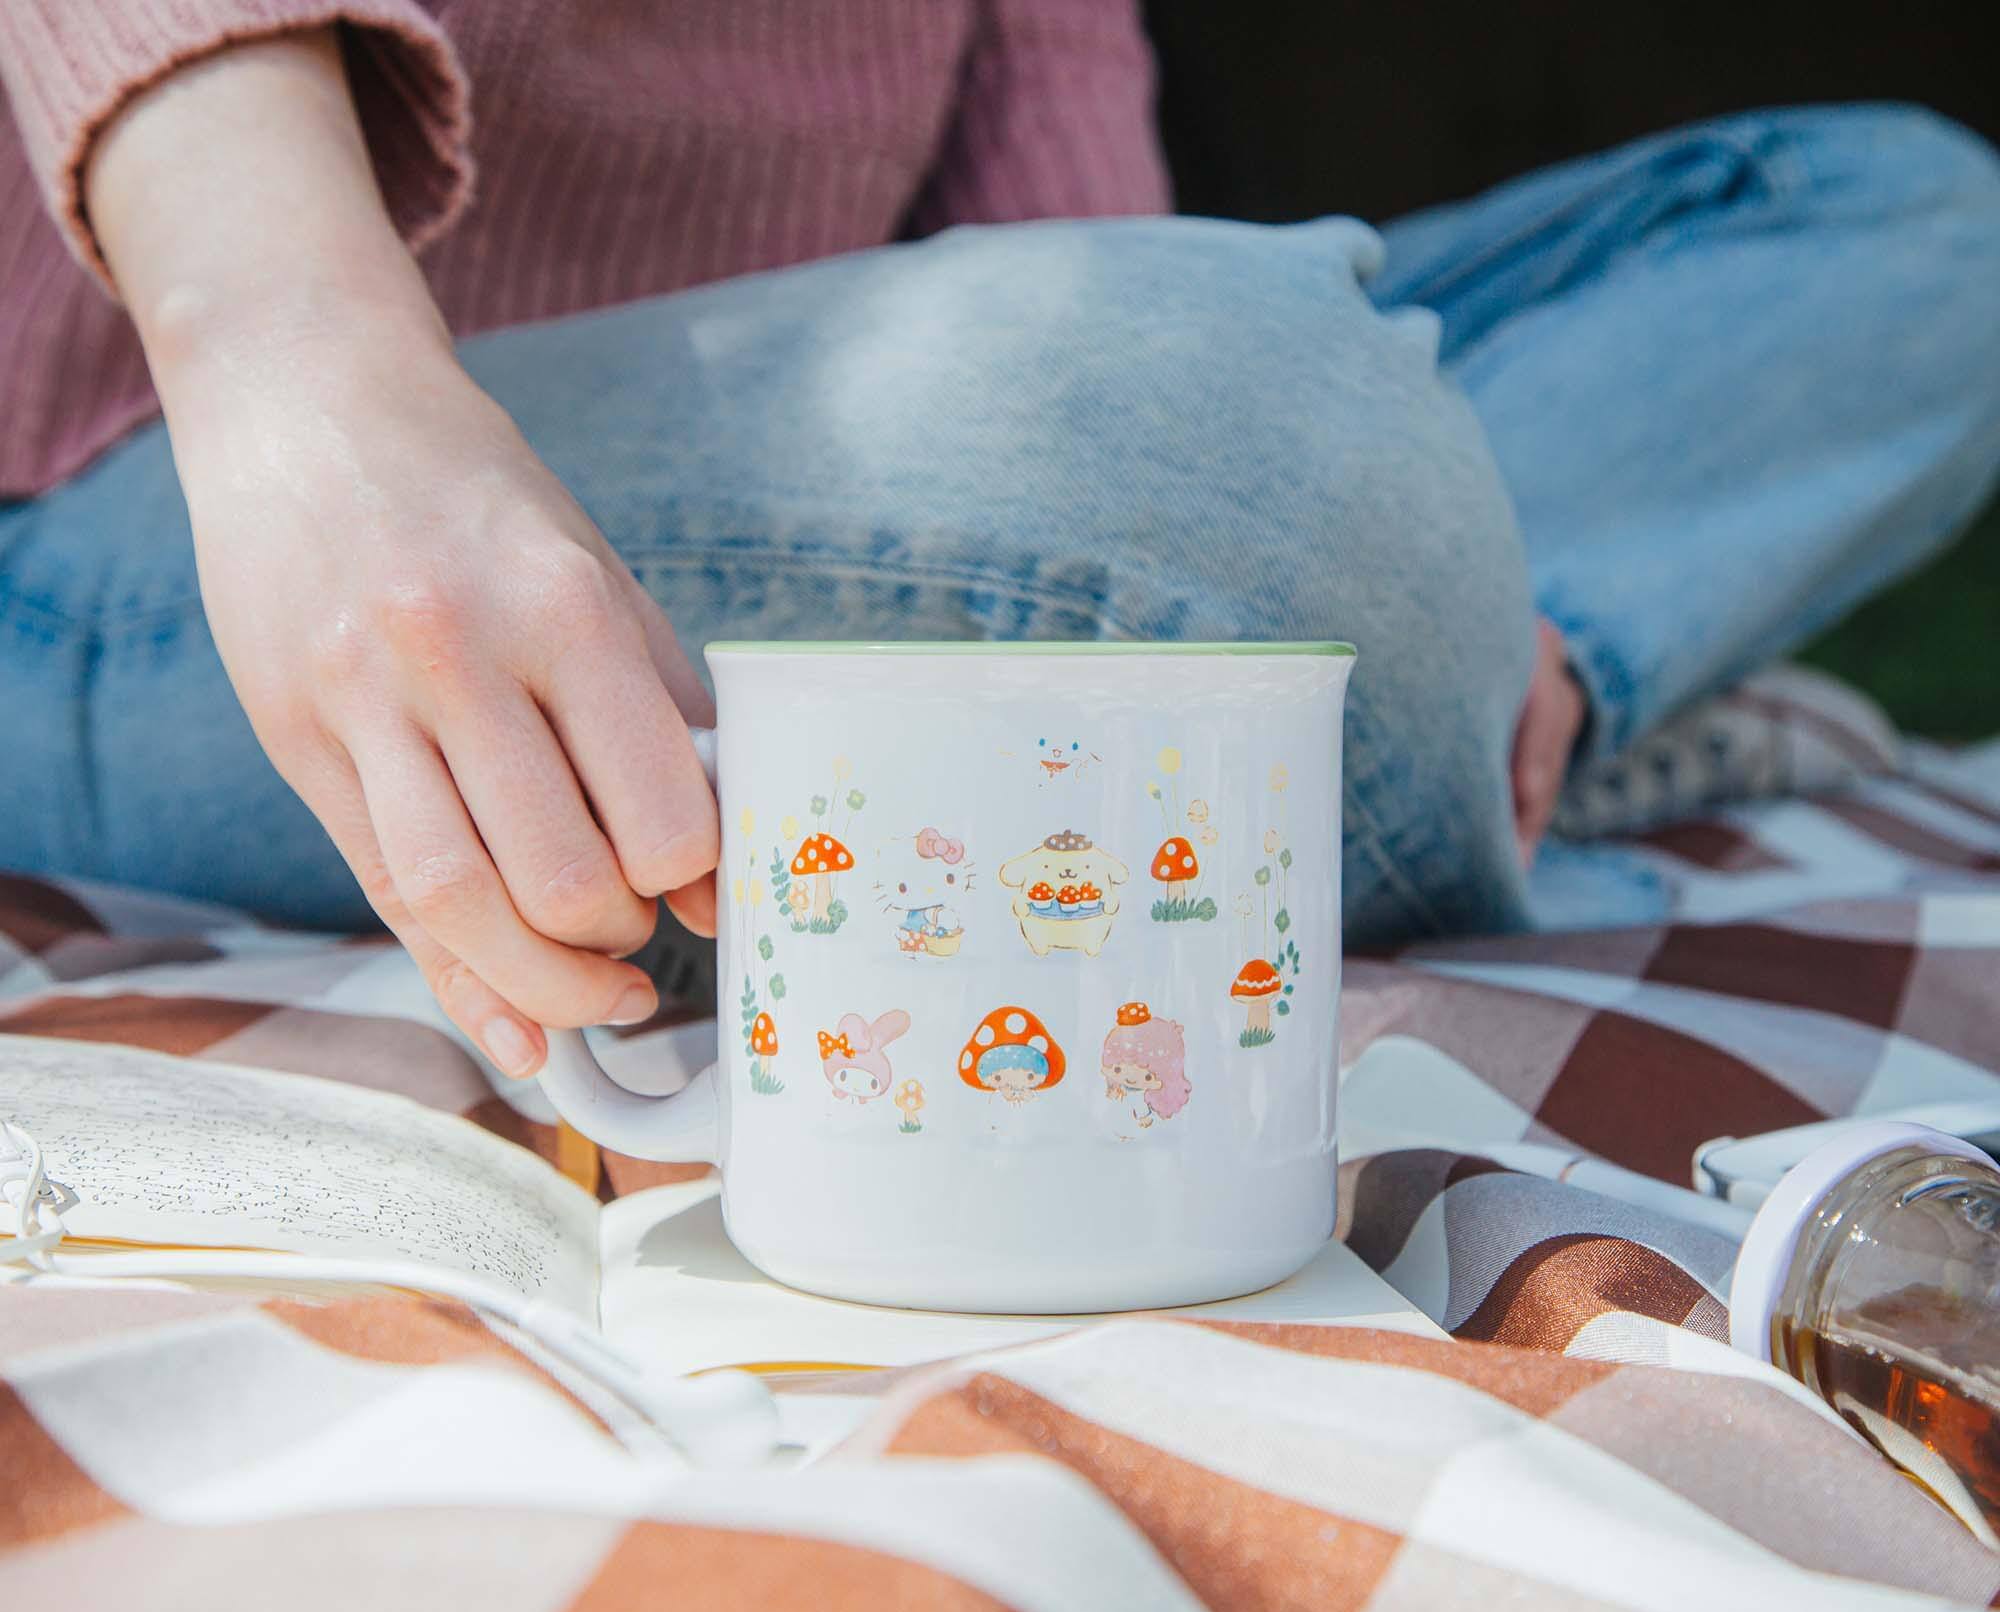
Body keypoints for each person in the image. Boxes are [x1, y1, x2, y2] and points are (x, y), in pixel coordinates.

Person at [2, 5, 1996, 1082]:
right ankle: (1418, 678)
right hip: (156, 481)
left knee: (1920, 229)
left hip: (851, 464)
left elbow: (1108, 296)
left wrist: (1276, 491)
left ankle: (1501, 647)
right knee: (1253, 430)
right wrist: (300, 370)